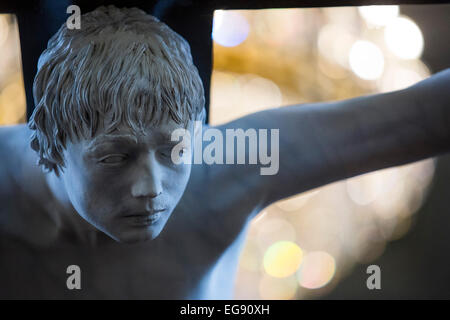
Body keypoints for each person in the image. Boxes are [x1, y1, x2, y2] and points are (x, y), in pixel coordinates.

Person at [0, 5, 448, 299]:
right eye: (115, 157)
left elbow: (423, 118)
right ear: (47, 142)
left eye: (176, 151)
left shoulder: (221, 175)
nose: (152, 188)